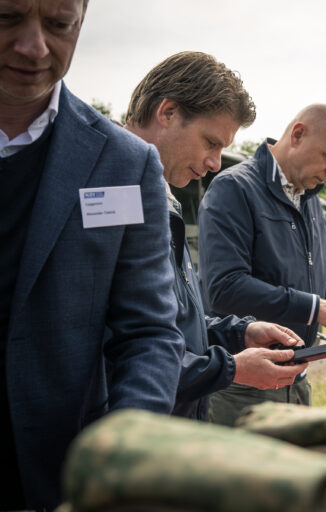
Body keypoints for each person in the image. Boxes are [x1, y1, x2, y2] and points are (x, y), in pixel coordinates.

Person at [0, 1, 185, 508]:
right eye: (7, 17)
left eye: (59, 25)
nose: (32, 47)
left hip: (61, 476)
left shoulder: (125, 163)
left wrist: (125, 444)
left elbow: (148, 331)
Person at [124, 51, 309, 420]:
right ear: (168, 113)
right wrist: (231, 368)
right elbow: (122, 352)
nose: (214, 164)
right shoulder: (111, 198)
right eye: (211, 143)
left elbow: (174, 324)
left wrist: (240, 332)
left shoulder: (159, 196)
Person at [198, 103, 326, 426]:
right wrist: (317, 309)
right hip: (243, 388)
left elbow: (321, 270)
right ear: (298, 135)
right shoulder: (233, 189)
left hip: (298, 381)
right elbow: (225, 288)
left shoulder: (310, 197)